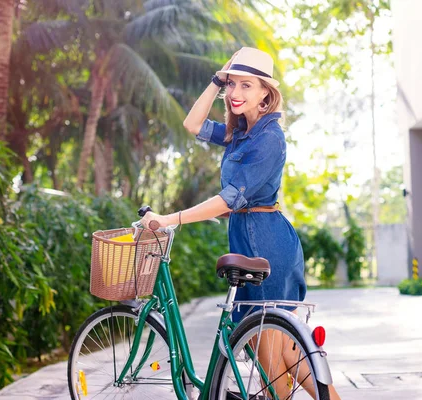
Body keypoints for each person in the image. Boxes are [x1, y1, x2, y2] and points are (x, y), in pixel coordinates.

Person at [139, 47, 341, 399]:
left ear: (266, 92)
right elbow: (193, 125)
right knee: (289, 356)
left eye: (246, 85)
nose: (234, 94)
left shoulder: (269, 139)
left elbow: (230, 198)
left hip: (266, 245)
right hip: (252, 241)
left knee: (271, 363)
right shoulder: (240, 133)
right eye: (232, 84)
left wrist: (170, 219)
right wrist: (217, 78)